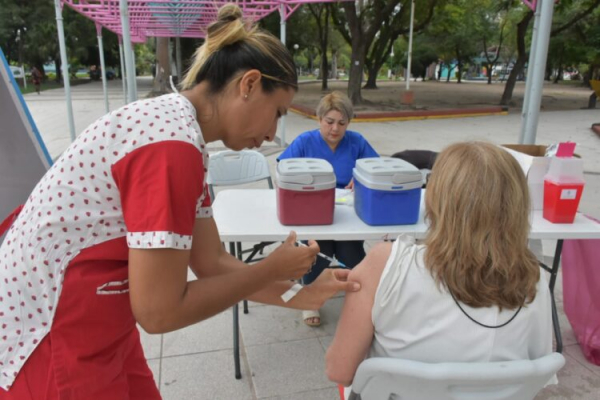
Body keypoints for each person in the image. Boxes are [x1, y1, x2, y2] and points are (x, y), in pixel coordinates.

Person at [0, 5, 360, 399]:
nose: (273, 134)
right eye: (276, 113)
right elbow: (158, 312)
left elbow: (212, 263)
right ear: (249, 84)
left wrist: (299, 292)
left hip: (99, 320)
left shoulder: (182, 134)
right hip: (51, 332)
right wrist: (270, 266)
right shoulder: (171, 145)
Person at [325, 142, 553, 396]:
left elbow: (339, 370)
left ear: (436, 197)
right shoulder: (534, 279)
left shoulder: (385, 264)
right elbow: (539, 372)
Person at [277, 91, 379, 327]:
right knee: (318, 250)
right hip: (310, 210)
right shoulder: (304, 142)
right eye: (329, 122)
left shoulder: (357, 142)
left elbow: (374, 167)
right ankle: (310, 299)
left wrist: (361, 178)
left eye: (342, 123)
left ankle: (363, 294)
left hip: (346, 213)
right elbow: (284, 171)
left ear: (348, 124)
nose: (335, 129)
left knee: (351, 252)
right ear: (319, 119)